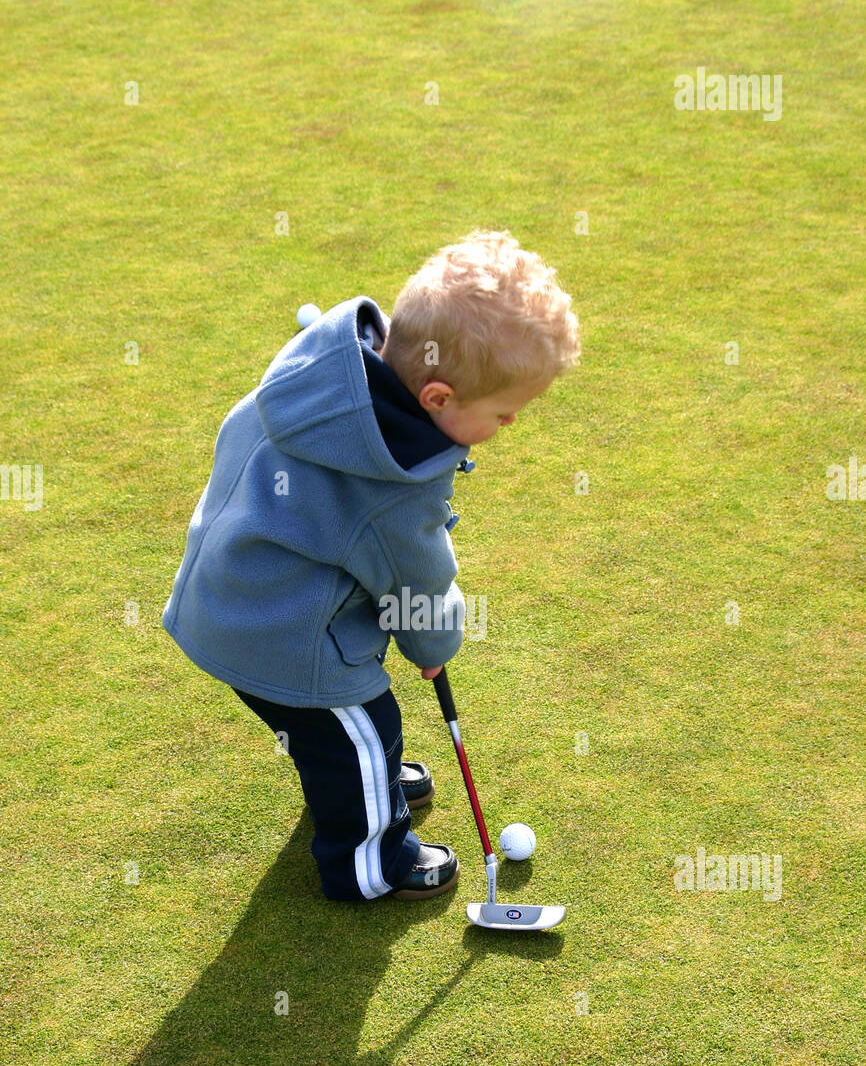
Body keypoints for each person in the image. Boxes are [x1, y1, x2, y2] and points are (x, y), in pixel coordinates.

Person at [162, 231, 580, 903]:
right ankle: (372, 864)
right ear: (439, 399)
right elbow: (418, 584)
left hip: (229, 589)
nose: (509, 427)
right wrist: (435, 644)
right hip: (278, 635)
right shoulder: (393, 484)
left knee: (337, 739)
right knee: (362, 725)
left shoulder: (325, 375)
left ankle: (361, 778)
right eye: (503, 414)